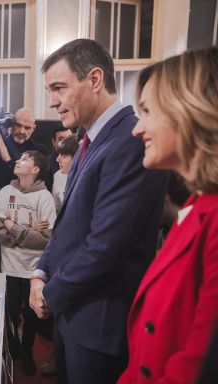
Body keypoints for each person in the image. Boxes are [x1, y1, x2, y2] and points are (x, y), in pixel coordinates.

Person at [28, 39, 169, 383]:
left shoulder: (129, 140)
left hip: (99, 323)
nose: (52, 101)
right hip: (74, 315)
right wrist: (40, 272)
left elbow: (105, 246)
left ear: (94, 79)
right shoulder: (88, 140)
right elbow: (67, 226)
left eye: (59, 88)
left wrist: (51, 293)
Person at [118, 46, 218, 384]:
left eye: (147, 111)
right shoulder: (193, 209)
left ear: (191, 111)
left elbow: (197, 365)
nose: (136, 129)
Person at [0, 150, 56, 376]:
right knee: (10, 310)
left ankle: (27, 349)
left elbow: (46, 240)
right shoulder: (5, 191)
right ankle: (13, 348)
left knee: (30, 314)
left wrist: (13, 226)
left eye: (23, 160)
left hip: (33, 268)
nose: (17, 162)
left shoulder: (45, 198)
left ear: (35, 169)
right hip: (9, 264)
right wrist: (29, 232)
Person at [0, 107, 50, 193]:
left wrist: (8, 160)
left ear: (33, 128)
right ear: (11, 124)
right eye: (18, 125)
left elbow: (38, 182)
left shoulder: (41, 151)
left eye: (27, 128)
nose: (21, 131)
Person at [51, 135, 79, 212]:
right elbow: (57, 209)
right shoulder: (58, 176)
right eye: (59, 155)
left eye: (63, 156)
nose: (57, 160)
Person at [44, 125, 73, 191]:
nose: (66, 143)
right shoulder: (46, 164)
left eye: (69, 138)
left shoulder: (83, 160)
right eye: (61, 139)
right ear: (53, 142)